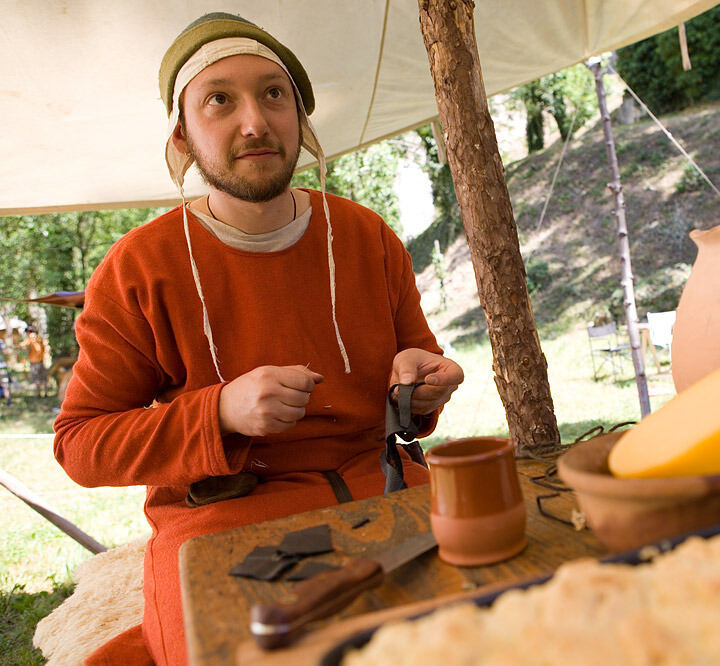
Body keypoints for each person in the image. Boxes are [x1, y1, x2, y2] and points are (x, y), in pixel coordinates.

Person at [53, 13, 463, 666]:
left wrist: (420, 385)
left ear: (299, 117)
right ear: (183, 134)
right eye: (221, 99)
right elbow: (80, 444)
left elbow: (415, 383)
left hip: (384, 499)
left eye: (274, 94)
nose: (254, 122)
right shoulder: (138, 268)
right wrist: (218, 411)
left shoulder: (365, 236)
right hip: (221, 525)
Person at [20, 325, 47, 397]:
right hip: (41, 360)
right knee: (44, 378)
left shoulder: (29, 339)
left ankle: (38, 394)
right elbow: (44, 349)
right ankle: (46, 392)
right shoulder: (39, 339)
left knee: (37, 378)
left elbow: (23, 346)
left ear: (28, 332)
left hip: (34, 362)